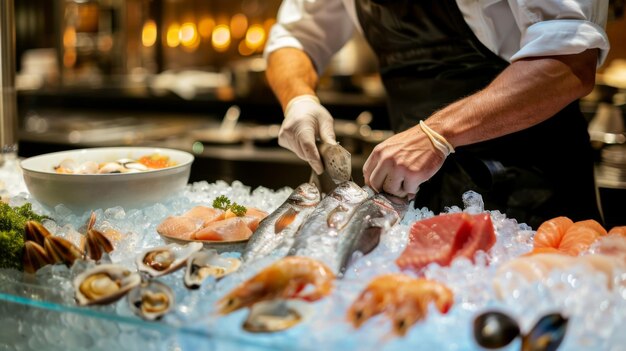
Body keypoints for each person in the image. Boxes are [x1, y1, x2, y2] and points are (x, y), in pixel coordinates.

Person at [263, 0, 610, 228]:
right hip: (412, 197)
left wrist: (437, 134)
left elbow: (569, 61)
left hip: (533, 197)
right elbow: (295, 36)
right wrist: (299, 99)